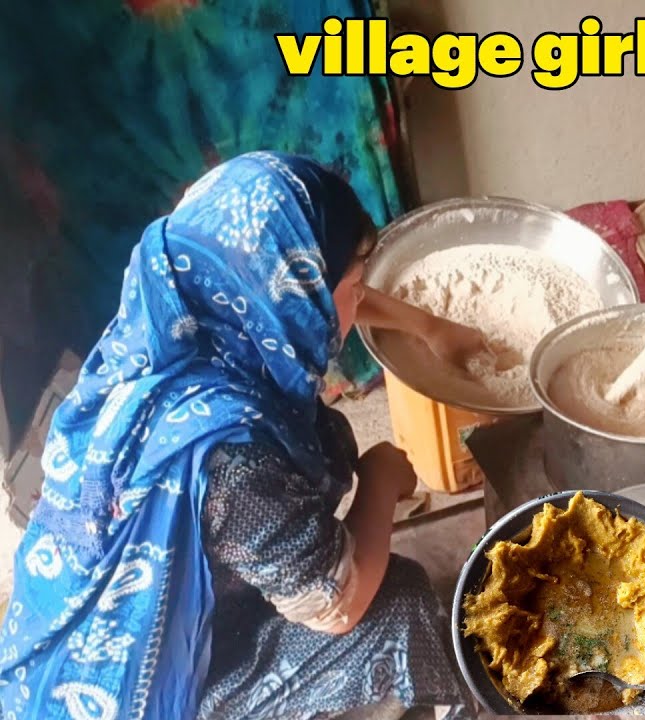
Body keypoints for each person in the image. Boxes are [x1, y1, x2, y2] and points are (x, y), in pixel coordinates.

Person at [0, 152, 491, 720]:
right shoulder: (230, 458)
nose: (358, 300)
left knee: (318, 441)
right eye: (354, 286)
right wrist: (382, 480)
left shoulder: (165, 318)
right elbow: (337, 605)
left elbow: (324, 287)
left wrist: (429, 326)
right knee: (399, 601)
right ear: (292, 295)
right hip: (143, 688)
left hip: (56, 630)